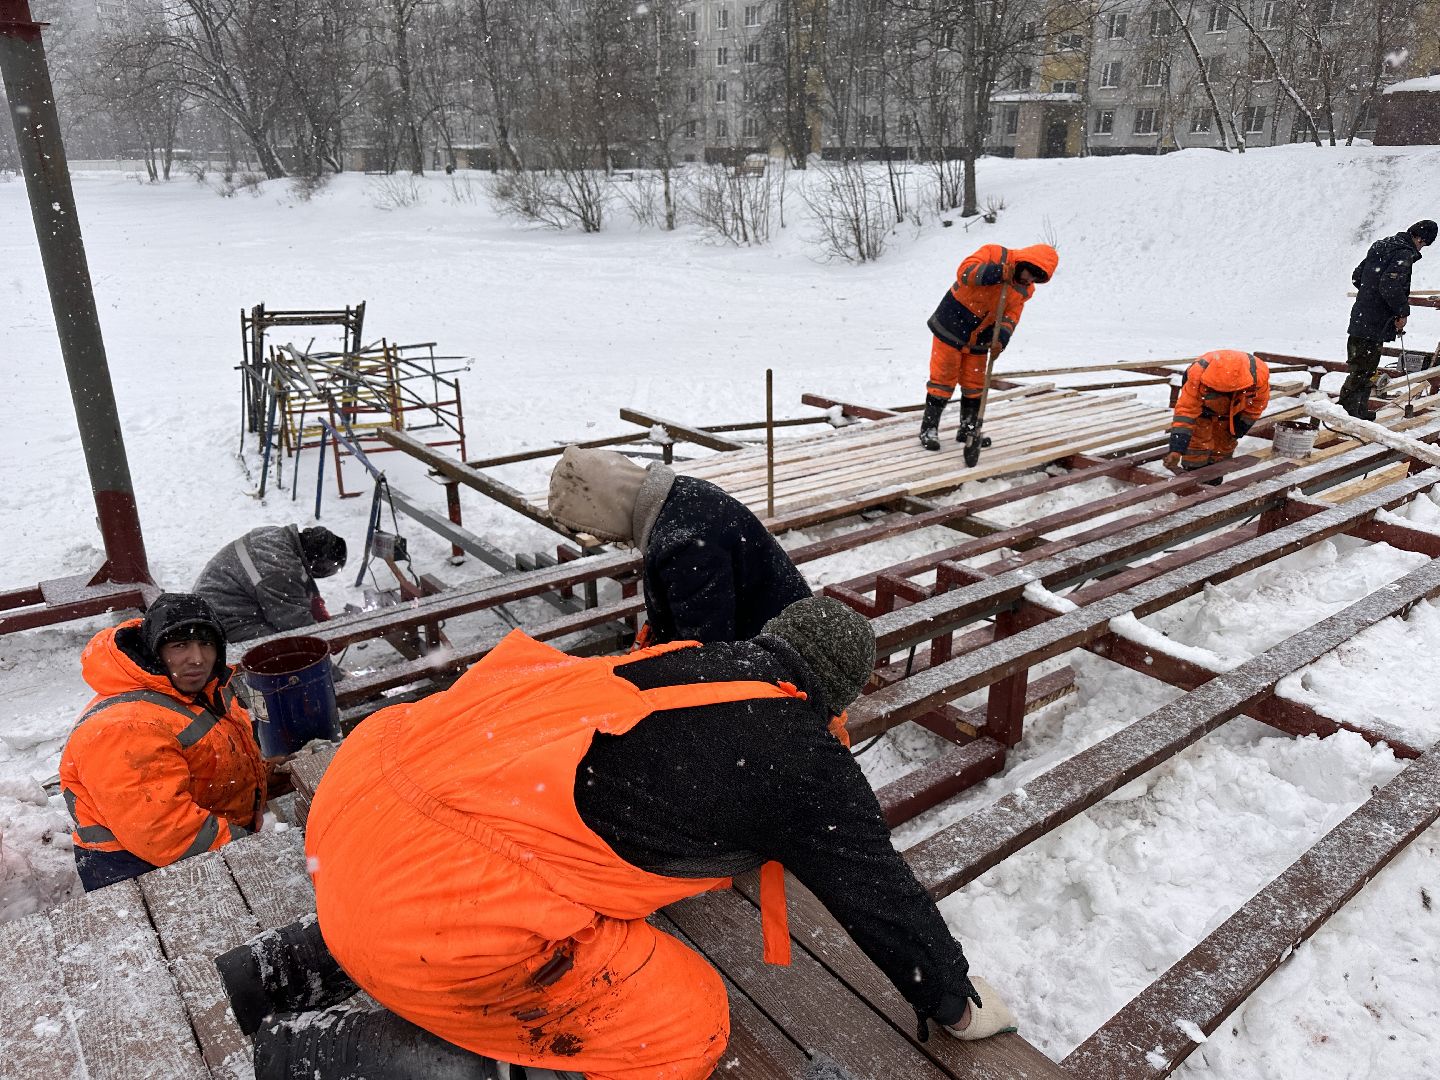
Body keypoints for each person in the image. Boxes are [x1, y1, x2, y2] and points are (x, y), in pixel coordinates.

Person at [262, 597, 1013, 1080]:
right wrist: (956, 1002)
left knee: (468, 871)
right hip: (429, 913)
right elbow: (882, 895)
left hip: (362, 801)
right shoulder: (802, 760)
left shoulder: (684, 661)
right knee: (686, 1025)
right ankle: (341, 1054)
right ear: (840, 693)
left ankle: (289, 963)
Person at [59, 593, 268, 892]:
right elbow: (164, 831)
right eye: (180, 645)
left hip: (191, 847)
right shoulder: (126, 727)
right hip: (135, 874)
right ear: (155, 650)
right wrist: (252, 851)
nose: (197, 658)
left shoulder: (197, 690)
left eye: (206, 644)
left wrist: (262, 777)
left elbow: (206, 761)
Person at [547, 447, 812, 645]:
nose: (604, 539)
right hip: (781, 633)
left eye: (594, 529)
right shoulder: (679, 497)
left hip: (784, 663)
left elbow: (704, 650)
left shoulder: (683, 542)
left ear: (606, 509)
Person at [920, 242, 1060, 451]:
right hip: (952, 323)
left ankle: (968, 429)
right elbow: (965, 272)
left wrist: (1001, 338)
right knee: (943, 378)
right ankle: (929, 428)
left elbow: (1011, 316)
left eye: (1036, 279)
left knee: (975, 383)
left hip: (981, 335)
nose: (1030, 280)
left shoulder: (1025, 290)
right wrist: (998, 272)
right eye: (1030, 274)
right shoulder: (995, 253)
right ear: (1025, 262)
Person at [1339, 219, 1436, 420]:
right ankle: (1348, 413)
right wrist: (1402, 312)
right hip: (1374, 321)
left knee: (1360, 367)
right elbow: (1389, 285)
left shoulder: (1380, 245)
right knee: (1364, 369)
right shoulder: (1403, 253)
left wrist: (1369, 295)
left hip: (1361, 316)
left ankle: (1356, 411)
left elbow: (1357, 276)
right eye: (1424, 244)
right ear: (1420, 238)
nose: (1421, 248)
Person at [193, 524, 347, 644]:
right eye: (328, 568)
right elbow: (295, 624)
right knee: (282, 649)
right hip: (220, 620)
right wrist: (324, 643)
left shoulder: (278, 537)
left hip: (216, 600)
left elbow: (299, 577)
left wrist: (316, 603)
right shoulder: (281, 569)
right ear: (317, 559)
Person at [1163, 349, 1271, 473]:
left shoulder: (1258, 378)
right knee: (1196, 445)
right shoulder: (1196, 377)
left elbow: (1257, 405)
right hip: (1203, 412)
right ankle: (1192, 474)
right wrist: (1177, 449)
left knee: (1223, 447)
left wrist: (1239, 427)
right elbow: (1185, 413)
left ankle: (1216, 475)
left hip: (1232, 414)